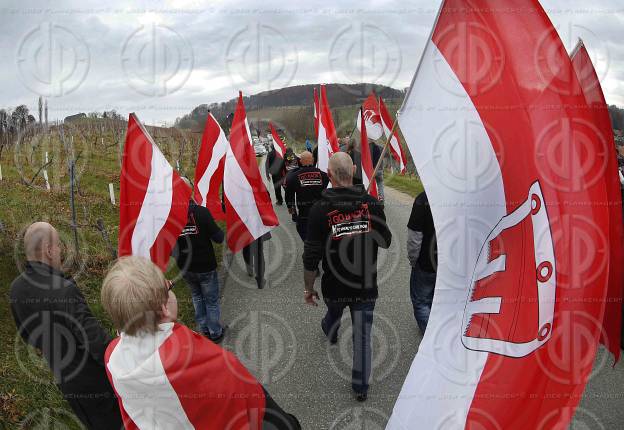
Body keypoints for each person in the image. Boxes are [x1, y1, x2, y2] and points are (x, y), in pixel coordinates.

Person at [101, 256, 300, 429]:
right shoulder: (192, 352)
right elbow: (251, 400)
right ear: (165, 309)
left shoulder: (112, 358)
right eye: (169, 286)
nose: (171, 288)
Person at [9, 222, 122, 429]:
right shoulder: (64, 290)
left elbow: (27, 335)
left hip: (66, 382)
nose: (61, 250)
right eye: (59, 246)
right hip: (96, 381)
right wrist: (123, 351)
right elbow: (95, 342)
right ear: (49, 250)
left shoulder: (16, 289)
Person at [302, 153, 392, 402]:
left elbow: (311, 256)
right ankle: (360, 387)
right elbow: (386, 242)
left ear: (329, 175)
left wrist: (308, 288)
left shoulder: (325, 208)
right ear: (353, 170)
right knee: (361, 335)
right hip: (362, 285)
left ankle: (358, 380)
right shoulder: (367, 203)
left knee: (337, 315)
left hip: (337, 285)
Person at [173, 178, 226, 343]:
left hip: (185, 267)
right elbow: (218, 238)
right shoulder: (201, 212)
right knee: (211, 300)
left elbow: (167, 246)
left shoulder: (169, 216)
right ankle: (215, 332)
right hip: (205, 266)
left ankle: (203, 329)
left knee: (196, 296)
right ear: (189, 192)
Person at [407, 191, 438, 333]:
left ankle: (431, 337)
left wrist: (413, 260)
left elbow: (415, 236)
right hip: (451, 263)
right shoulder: (459, 195)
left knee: (420, 302)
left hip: (426, 263)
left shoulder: (423, 199)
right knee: (437, 298)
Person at [284, 151, 329, 241]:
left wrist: (290, 207)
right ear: (312, 160)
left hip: (304, 214)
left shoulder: (293, 176)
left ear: (300, 161)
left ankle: (311, 249)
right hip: (321, 212)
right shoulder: (324, 175)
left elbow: (289, 194)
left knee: (307, 238)